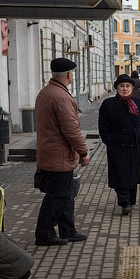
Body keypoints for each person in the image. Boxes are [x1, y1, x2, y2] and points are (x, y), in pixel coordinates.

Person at [34, 58, 90, 246]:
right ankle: (44, 234)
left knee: (65, 196)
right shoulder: (61, 97)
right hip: (59, 156)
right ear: (68, 74)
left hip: (50, 153)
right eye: (72, 72)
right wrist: (83, 152)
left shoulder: (46, 93)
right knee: (57, 197)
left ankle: (68, 230)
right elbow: (71, 129)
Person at [99, 75, 140, 215]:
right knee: (120, 173)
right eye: (122, 86)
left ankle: (130, 200)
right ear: (117, 88)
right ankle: (124, 202)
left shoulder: (139, 103)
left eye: (127, 86)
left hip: (134, 143)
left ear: (132, 88)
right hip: (117, 144)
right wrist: (109, 140)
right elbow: (103, 126)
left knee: (132, 173)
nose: (125, 89)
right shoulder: (108, 104)